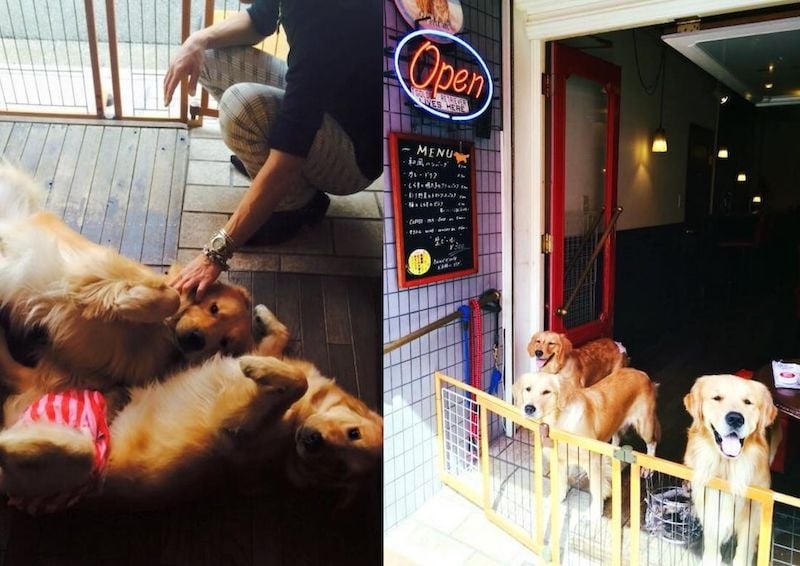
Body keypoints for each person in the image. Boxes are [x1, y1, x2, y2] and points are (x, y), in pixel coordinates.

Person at [165, 0, 381, 298]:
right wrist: (195, 40)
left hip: (354, 155)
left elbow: (288, 155)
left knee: (242, 108)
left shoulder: (317, 12)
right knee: (205, 56)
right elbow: (260, 19)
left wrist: (216, 253)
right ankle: (274, 177)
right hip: (324, 100)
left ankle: (298, 207)